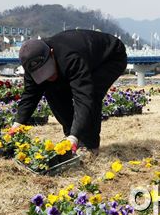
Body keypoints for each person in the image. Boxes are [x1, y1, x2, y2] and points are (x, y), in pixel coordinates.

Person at [13, 29, 127, 158]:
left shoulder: (71, 58)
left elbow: (83, 98)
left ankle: (89, 146)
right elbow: (30, 95)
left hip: (110, 57)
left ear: (51, 53)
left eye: (48, 70)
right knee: (51, 91)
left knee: (92, 93)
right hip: (82, 59)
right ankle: (71, 138)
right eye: (41, 74)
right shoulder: (31, 64)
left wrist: (75, 135)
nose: (48, 76)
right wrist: (17, 125)